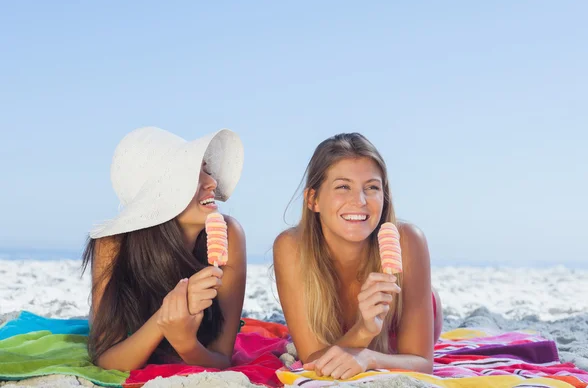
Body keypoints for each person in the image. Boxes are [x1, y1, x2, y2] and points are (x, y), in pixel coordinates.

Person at [274, 132, 442, 380]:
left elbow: (421, 361)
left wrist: (369, 358)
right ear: (313, 199)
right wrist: (364, 330)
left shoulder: (408, 240)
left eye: (372, 187)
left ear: (384, 197)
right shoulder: (291, 247)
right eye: (343, 187)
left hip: (412, 315)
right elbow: (313, 360)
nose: (360, 201)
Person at [81, 126, 246, 372]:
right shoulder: (114, 244)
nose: (212, 182)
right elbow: (107, 359)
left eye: (207, 171)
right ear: (159, 194)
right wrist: (164, 319)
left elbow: (221, 358)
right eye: (194, 174)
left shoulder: (230, 233)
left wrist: (186, 343)